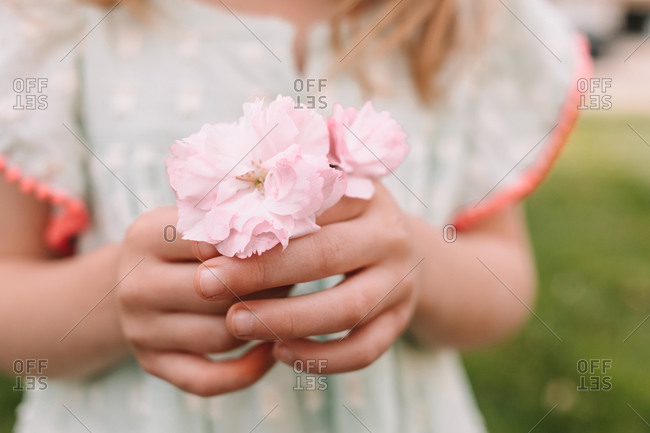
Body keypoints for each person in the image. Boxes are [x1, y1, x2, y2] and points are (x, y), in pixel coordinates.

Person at [0, 0, 590, 431]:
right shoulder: (55, 26)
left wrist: (419, 265)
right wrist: (114, 297)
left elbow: (505, 285)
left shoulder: (467, 22)